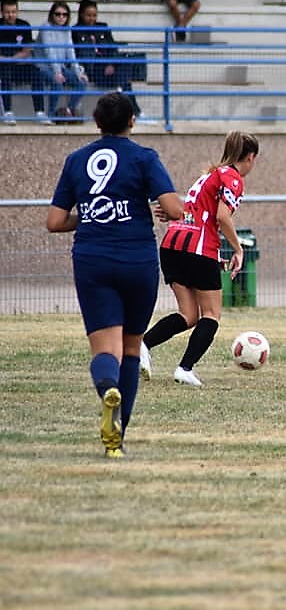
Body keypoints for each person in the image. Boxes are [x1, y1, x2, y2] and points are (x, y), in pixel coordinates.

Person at [46, 92, 183, 458]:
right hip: (137, 260)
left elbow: (55, 221)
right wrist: (163, 208)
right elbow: (173, 208)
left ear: (97, 123)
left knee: (105, 349)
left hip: (92, 260)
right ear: (132, 121)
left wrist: (90, 215)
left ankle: (107, 387)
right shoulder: (144, 157)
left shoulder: (76, 160)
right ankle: (118, 438)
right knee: (132, 347)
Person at [140, 131, 260, 387]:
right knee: (211, 314)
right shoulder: (233, 178)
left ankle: (142, 345)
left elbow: (195, 210)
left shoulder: (208, 175)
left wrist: (177, 215)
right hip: (198, 249)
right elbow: (221, 216)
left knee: (189, 314)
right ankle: (184, 368)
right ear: (250, 157)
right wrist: (238, 249)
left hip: (173, 245)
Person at [72, 0, 154, 124]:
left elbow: (113, 49)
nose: (92, 19)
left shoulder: (103, 27)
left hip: (109, 68)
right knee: (124, 81)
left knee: (124, 69)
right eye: (88, 15)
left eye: (94, 15)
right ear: (81, 14)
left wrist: (110, 63)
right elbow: (79, 55)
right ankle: (136, 113)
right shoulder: (75, 31)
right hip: (92, 70)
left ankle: (132, 107)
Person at [35, 1, 89, 123]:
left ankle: (69, 110)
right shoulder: (46, 28)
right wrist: (57, 73)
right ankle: (51, 114)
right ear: (52, 15)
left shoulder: (67, 30)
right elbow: (50, 52)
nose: (61, 17)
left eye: (64, 14)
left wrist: (78, 71)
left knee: (82, 82)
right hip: (44, 66)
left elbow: (70, 52)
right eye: (57, 14)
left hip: (60, 66)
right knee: (57, 83)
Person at [0, 0, 49, 125]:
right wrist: (8, 60)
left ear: (17, 11)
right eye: (7, 12)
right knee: (4, 72)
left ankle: (40, 112)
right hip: (3, 66)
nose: (11, 15)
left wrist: (11, 59)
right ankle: (8, 112)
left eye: (13, 12)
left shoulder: (24, 25)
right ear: (2, 12)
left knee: (36, 73)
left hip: (19, 64)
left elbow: (27, 50)